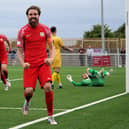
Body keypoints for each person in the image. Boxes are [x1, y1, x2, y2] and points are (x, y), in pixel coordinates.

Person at [17, 6, 57, 125]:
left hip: (43, 64)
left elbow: (52, 47)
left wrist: (51, 58)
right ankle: (27, 102)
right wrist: (23, 63)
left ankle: (50, 116)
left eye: (35, 14)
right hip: (30, 66)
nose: (33, 16)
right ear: (27, 16)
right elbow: (19, 50)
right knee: (29, 92)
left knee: (48, 87)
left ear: (39, 15)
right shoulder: (22, 31)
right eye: (30, 14)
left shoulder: (45, 29)